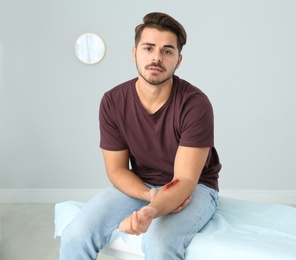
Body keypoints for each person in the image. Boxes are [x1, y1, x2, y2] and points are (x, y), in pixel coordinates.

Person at [60, 12, 221, 260]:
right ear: (134, 52)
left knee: (159, 242)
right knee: (75, 235)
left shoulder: (195, 104)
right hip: (142, 183)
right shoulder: (113, 101)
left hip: (195, 188)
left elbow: (186, 179)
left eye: (167, 51)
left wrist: (151, 211)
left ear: (178, 60)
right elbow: (116, 170)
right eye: (148, 48)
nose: (156, 57)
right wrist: (148, 196)